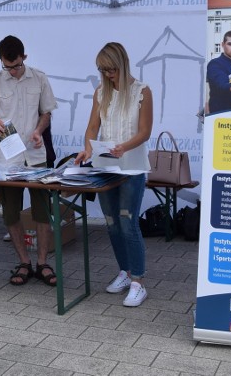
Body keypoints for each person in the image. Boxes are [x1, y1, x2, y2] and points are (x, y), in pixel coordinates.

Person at [0, 35, 58, 287]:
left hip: (35, 153)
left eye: (16, 65)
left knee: (43, 210)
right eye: (7, 66)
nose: (12, 70)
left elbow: (46, 113)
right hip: (8, 158)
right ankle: (24, 262)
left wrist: (39, 131)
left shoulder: (39, 77)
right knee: (10, 211)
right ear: (1, 61)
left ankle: (42, 262)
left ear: (25, 58)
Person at [74, 42, 153, 307]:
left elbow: (144, 132)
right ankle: (125, 271)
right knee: (111, 222)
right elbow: (91, 129)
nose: (108, 75)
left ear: (122, 64)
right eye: (103, 70)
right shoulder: (101, 93)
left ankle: (138, 282)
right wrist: (87, 150)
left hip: (132, 167)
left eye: (111, 70)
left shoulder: (142, 91)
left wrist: (124, 147)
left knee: (128, 223)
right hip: (105, 167)